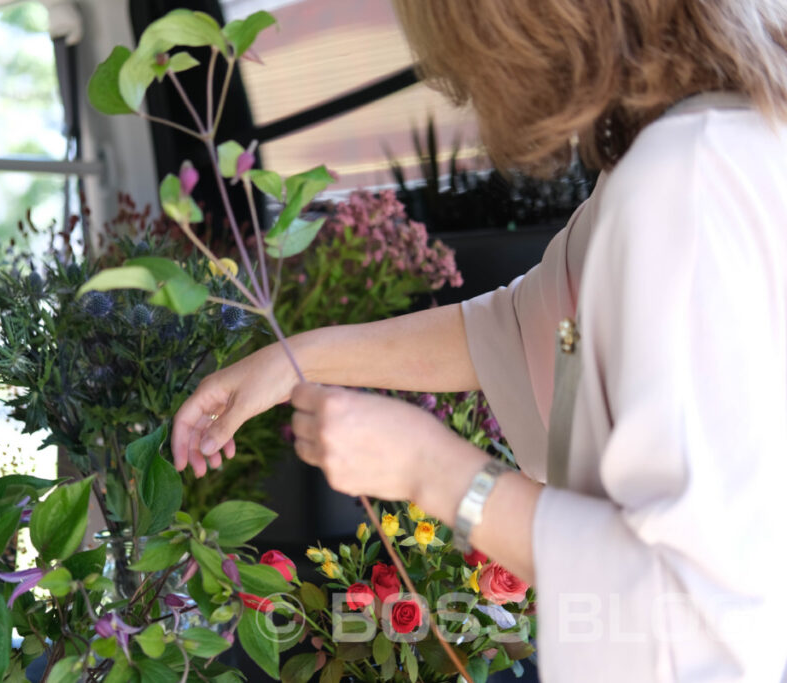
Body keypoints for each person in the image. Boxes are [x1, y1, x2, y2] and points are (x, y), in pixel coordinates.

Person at [172, 1, 787, 680]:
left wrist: (430, 468)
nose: (449, 73)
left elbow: (691, 597)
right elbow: (520, 327)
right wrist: (291, 364)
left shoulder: (685, 178)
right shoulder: (704, 149)